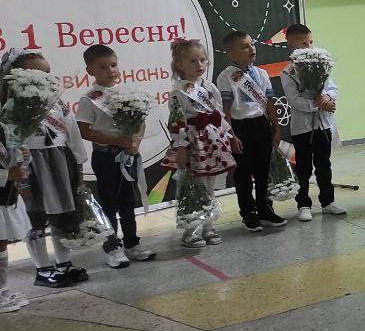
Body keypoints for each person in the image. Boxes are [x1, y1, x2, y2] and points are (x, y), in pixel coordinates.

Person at [2, 49, 91, 287]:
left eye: (47, 72)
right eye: (36, 73)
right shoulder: (11, 107)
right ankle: (42, 269)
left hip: (59, 162)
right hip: (31, 167)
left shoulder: (56, 103)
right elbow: (11, 142)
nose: (45, 78)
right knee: (37, 217)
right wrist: (22, 178)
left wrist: (78, 165)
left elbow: (72, 132)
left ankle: (64, 263)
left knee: (61, 215)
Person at [76, 44, 155, 268]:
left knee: (128, 202)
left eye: (113, 65)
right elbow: (84, 131)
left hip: (127, 154)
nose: (110, 71)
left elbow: (140, 123)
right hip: (106, 156)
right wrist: (117, 141)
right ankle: (112, 247)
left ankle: (132, 244)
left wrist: (135, 142)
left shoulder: (127, 94)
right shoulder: (89, 99)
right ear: (90, 71)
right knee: (109, 203)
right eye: (102, 67)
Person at [162, 39, 236, 247]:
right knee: (192, 186)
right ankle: (190, 230)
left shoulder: (209, 87)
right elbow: (176, 122)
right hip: (193, 143)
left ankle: (208, 226)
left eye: (203, 60)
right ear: (180, 65)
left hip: (212, 141)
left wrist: (230, 135)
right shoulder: (178, 91)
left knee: (210, 186)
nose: (199, 65)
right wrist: (182, 148)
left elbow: (219, 114)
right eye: (193, 61)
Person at [219, 31, 287, 231]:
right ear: (231, 53)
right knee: (243, 174)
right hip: (240, 128)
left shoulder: (261, 73)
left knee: (263, 171)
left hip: (261, 125)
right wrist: (232, 135)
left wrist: (276, 128)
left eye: (252, 44)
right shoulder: (226, 76)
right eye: (245, 46)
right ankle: (248, 213)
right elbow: (226, 110)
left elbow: (269, 103)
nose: (251, 49)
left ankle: (265, 209)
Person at [280, 24, 345, 221]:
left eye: (310, 42)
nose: (309, 47)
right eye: (303, 44)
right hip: (302, 127)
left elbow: (332, 88)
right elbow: (294, 100)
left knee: (324, 164)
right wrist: (319, 105)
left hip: (322, 125)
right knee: (304, 167)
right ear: (291, 45)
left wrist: (327, 97)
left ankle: (328, 201)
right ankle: (303, 204)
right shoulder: (288, 72)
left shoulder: (321, 65)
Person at [0, 135, 30, 312]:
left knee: (1, 243)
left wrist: (24, 157)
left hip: (6, 194)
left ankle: (2, 288)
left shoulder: (5, 127)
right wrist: (7, 175)